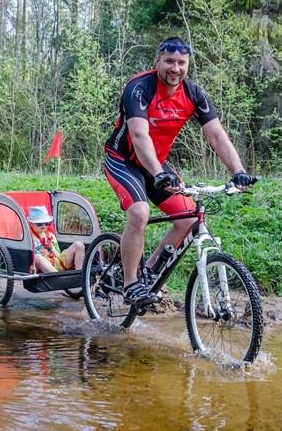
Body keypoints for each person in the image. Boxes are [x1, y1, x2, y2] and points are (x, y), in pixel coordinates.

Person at [103, 36, 257, 306]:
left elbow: (217, 137)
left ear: (188, 65)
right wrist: (158, 173)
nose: (175, 68)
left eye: (181, 63)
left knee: (188, 219)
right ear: (158, 61)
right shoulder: (139, 87)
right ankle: (130, 284)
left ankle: (148, 270)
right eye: (169, 61)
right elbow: (139, 137)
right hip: (123, 159)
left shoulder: (194, 94)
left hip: (156, 163)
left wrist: (238, 171)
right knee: (139, 212)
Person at [27, 206, 86, 273]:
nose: (44, 226)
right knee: (37, 257)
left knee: (79, 244)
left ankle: (79, 274)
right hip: (45, 264)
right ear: (31, 223)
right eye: (39, 224)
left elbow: (57, 251)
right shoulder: (28, 237)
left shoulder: (51, 235)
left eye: (46, 223)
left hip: (58, 260)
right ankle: (58, 278)